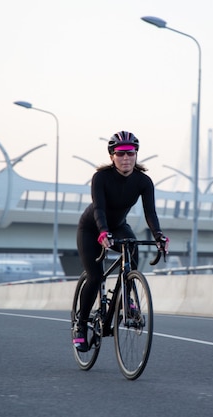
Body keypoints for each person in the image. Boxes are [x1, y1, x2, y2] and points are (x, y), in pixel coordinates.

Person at [73, 131, 169, 352]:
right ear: (112, 157)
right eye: (120, 154)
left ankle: (128, 300)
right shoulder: (101, 178)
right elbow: (98, 208)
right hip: (91, 228)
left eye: (130, 153)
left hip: (118, 226)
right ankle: (81, 325)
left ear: (136, 155)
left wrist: (159, 236)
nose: (126, 158)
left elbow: (150, 213)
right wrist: (103, 231)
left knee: (132, 251)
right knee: (95, 276)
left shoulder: (143, 181)